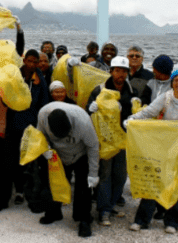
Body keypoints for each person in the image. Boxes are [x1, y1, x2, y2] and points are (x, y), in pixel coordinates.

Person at [0, 49, 49, 212]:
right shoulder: (15, 74)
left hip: (30, 127)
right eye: (29, 61)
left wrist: (41, 128)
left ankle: (30, 199)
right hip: (11, 126)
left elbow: (43, 103)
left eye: (35, 62)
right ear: (24, 61)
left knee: (29, 166)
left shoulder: (39, 79)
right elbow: (3, 95)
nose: (32, 64)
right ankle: (2, 200)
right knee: (6, 165)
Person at [86, 56, 137, 226]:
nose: (120, 74)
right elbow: (88, 111)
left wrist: (131, 113)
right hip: (105, 140)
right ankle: (104, 211)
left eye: (123, 71)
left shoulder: (132, 91)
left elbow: (138, 112)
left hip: (123, 141)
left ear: (127, 73)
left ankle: (111, 203)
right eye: (117, 70)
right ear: (111, 71)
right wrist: (90, 108)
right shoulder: (99, 90)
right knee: (105, 175)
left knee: (121, 175)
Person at [126, 70, 178, 234]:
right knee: (154, 179)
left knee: (175, 183)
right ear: (172, 82)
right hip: (162, 146)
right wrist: (133, 119)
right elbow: (148, 112)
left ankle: (172, 222)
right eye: (176, 79)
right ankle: (142, 220)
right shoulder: (166, 97)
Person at [37, 103, 99, 237]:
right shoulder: (43, 115)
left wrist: (93, 174)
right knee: (55, 184)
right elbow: (40, 136)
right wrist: (44, 149)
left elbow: (93, 146)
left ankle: (83, 219)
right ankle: (54, 212)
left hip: (80, 154)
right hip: (58, 155)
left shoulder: (83, 121)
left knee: (83, 187)